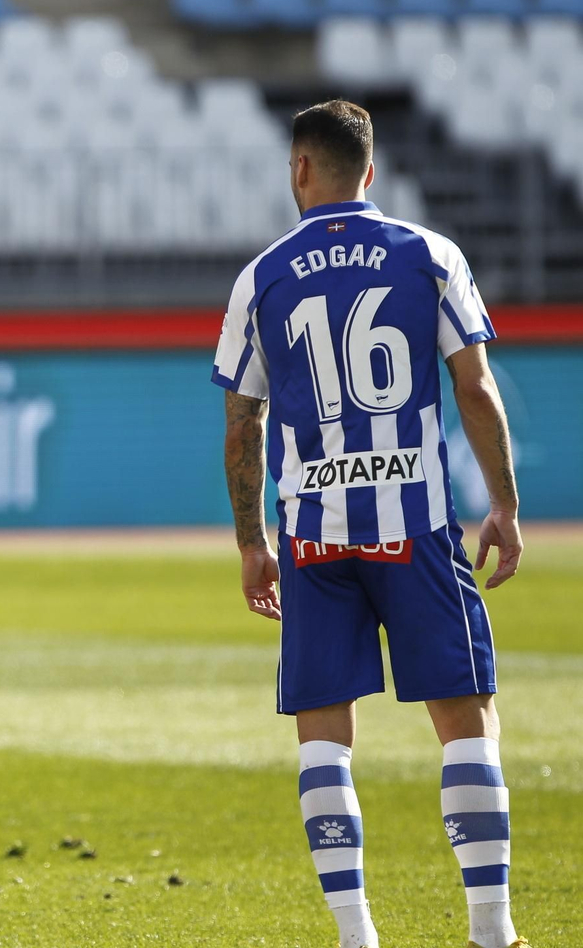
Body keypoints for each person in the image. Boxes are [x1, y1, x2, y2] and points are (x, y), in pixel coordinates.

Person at [212, 101, 526, 948]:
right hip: (415, 523)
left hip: (313, 537)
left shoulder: (263, 277)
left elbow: (243, 423)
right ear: (371, 172)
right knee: (467, 719)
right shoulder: (429, 255)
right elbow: (475, 386)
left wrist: (251, 543)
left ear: (300, 170)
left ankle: (357, 936)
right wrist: (502, 502)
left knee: (325, 737)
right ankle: (491, 932)